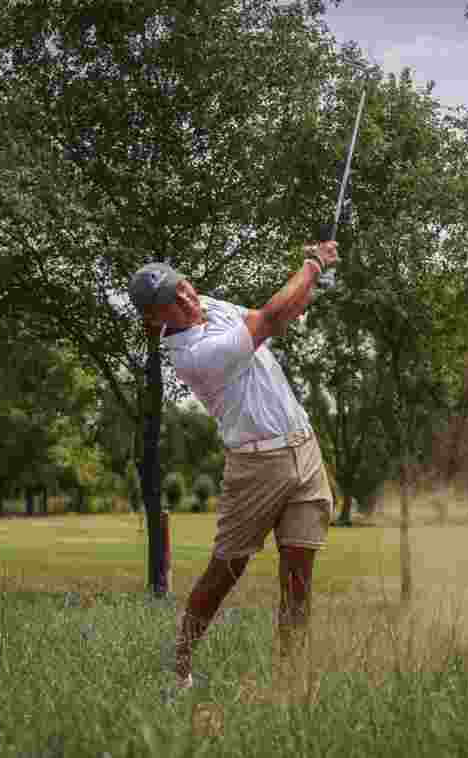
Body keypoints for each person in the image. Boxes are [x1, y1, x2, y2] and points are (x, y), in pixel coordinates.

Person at [128, 239, 339, 692]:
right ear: (154, 318)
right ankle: (179, 666)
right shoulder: (193, 355)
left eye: (183, 286)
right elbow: (269, 319)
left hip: (304, 449)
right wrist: (312, 264)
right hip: (255, 467)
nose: (187, 299)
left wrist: (312, 279)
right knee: (226, 570)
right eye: (172, 300)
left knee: (298, 575)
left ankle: (290, 680)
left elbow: (282, 316)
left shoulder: (209, 305)